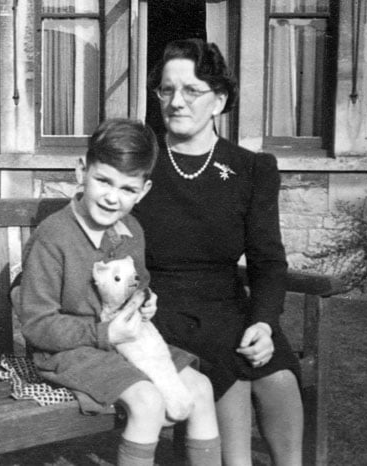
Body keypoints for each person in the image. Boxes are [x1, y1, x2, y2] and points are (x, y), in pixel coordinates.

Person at [133, 39, 304, 466]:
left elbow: (267, 260)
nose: (176, 102)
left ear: (219, 100)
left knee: (278, 376)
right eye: (166, 90)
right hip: (162, 308)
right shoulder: (138, 163)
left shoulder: (250, 168)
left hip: (230, 303)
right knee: (235, 373)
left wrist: (264, 323)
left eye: (191, 90)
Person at [14, 118, 221, 466]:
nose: (112, 198)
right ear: (82, 171)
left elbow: (135, 283)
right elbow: (37, 325)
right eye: (103, 181)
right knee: (147, 400)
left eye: (127, 189)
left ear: (144, 191)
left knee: (201, 388)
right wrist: (104, 332)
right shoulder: (54, 238)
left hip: (124, 343)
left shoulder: (131, 231)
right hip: (66, 352)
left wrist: (144, 301)